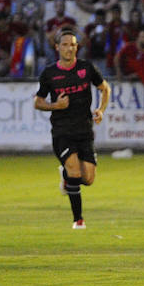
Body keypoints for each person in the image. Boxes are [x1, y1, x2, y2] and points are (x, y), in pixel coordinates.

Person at [33, 26, 111, 229]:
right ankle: (78, 220)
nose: (69, 49)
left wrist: (101, 110)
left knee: (88, 179)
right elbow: (37, 102)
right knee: (75, 172)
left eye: (73, 45)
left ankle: (66, 177)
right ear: (57, 47)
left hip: (84, 131)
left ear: (77, 47)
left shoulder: (86, 68)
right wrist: (55, 106)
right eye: (65, 45)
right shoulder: (50, 73)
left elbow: (105, 88)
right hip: (61, 132)